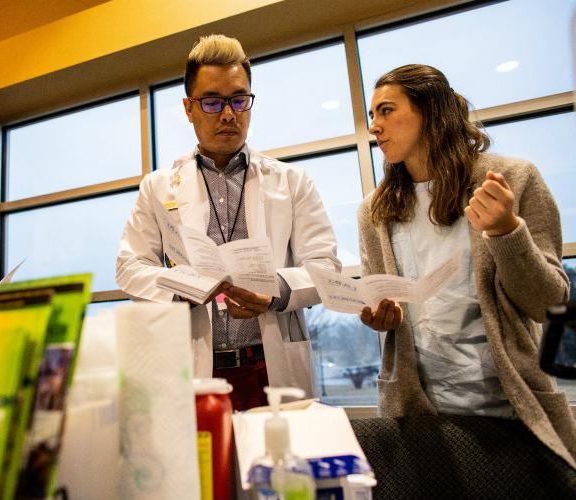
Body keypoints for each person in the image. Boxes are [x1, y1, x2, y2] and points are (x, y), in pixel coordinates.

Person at [358, 64, 576, 467]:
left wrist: (507, 231)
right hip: (421, 418)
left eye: (386, 111)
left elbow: (549, 304)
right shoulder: (376, 211)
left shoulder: (512, 179)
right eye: (372, 115)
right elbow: (386, 301)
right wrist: (381, 317)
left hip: (513, 410)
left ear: (431, 111)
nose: (375, 126)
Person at [116, 35, 340, 410]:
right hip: (196, 370)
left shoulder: (292, 181)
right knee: (207, 468)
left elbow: (325, 268)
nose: (228, 114)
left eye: (239, 99)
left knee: (277, 465)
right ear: (189, 108)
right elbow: (129, 266)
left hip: (270, 366)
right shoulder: (158, 187)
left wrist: (276, 291)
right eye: (212, 102)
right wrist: (180, 288)